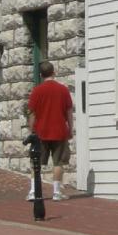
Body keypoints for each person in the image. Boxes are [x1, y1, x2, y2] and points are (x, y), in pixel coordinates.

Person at [27, 61, 74, 201]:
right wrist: (70, 128)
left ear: (41, 75)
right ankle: (56, 192)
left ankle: (33, 191)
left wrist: (31, 131)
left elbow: (32, 113)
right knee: (58, 162)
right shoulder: (63, 90)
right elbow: (69, 111)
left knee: (35, 163)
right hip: (59, 130)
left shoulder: (37, 91)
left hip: (40, 131)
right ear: (54, 72)